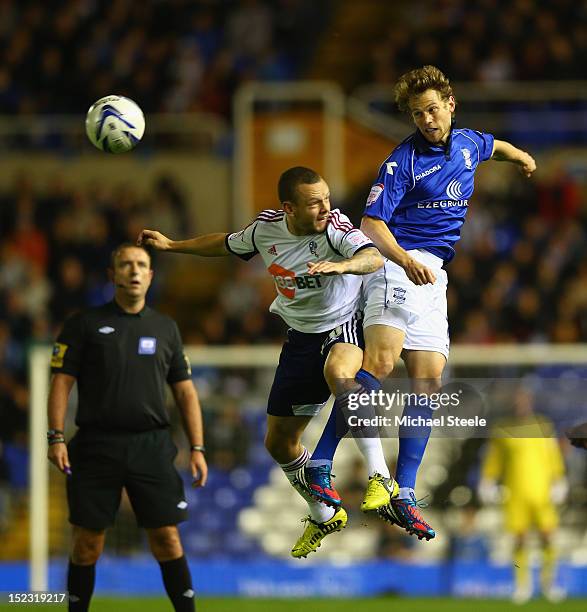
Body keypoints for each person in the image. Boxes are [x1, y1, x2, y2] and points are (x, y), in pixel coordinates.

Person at [305, 65, 537, 541]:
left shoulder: (470, 142)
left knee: (428, 382)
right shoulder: (401, 161)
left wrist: (523, 159)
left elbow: (497, 147)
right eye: (417, 114)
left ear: (450, 104)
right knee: (381, 364)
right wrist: (402, 260)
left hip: (435, 276)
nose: (427, 120)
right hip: (397, 263)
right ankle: (322, 460)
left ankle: (404, 491)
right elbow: (371, 224)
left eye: (432, 109)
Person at [138, 166, 390, 559]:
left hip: (344, 326)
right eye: (314, 202)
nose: (326, 206)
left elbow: (372, 257)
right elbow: (224, 243)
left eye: (326, 198)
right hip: (300, 341)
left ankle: (381, 476)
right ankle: (323, 512)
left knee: (340, 373)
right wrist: (172, 245)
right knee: (278, 443)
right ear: (288, 208)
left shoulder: (336, 228)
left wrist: (343, 265)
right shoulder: (266, 229)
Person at [47, 244, 208, 612]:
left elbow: (185, 392)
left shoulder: (166, 327)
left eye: (141, 265)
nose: (134, 271)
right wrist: (56, 436)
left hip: (151, 446)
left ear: (150, 276)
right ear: (112, 274)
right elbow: (61, 383)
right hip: (95, 446)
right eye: (125, 265)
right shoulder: (82, 325)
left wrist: (198, 447)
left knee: (167, 538)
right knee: (87, 541)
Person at [478, 388, 568, 603]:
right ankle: (522, 585)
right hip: (515, 492)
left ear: (530, 402)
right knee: (520, 539)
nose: (521, 405)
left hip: (542, 492)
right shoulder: (502, 429)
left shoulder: (543, 425)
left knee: (548, 535)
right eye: (517, 401)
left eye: (524, 400)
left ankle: (549, 584)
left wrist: (559, 479)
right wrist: (487, 480)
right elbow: (495, 459)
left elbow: (553, 454)